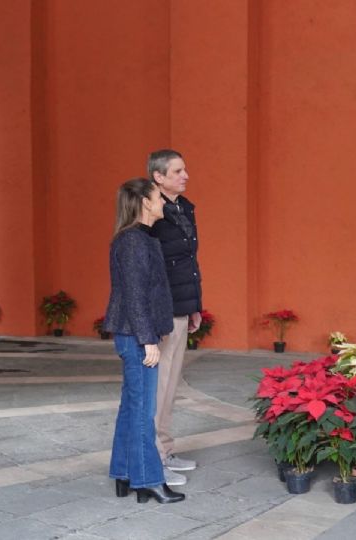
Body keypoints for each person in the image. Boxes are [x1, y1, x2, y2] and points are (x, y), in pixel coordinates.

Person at [104, 178, 185, 504]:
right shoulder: (134, 242)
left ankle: (124, 473)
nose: (164, 202)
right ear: (144, 203)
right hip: (137, 336)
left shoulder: (136, 239)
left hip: (134, 334)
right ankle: (149, 480)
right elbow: (135, 296)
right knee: (142, 411)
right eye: (158, 198)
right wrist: (148, 340)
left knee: (131, 408)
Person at [147, 149, 202, 486]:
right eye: (178, 171)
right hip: (162, 310)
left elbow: (188, 266)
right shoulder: (152, 212)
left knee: (170, 385)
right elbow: (151, 269)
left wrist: (195, 305)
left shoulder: (183, 209)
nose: (185, 175)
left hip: (181, 306)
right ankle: (153, 458)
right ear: (159, 177)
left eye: (185, 169)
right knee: (159, 386)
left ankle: (164, 448)